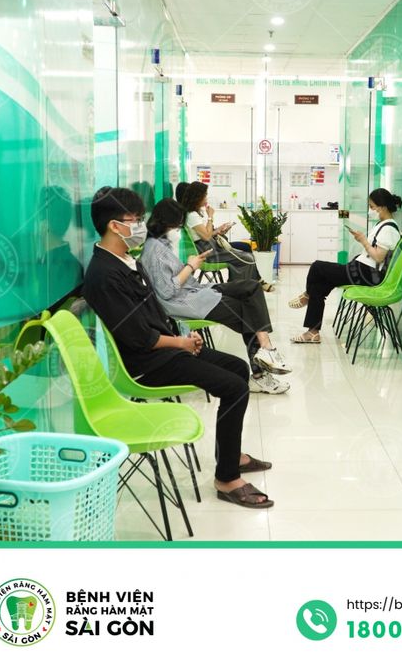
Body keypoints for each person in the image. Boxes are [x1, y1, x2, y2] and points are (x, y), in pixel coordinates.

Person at [82, 186, 274, 509]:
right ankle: (227, 479)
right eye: (135, 220)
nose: (141, 225)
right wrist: (181, 342)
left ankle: (229, 455)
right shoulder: (104, 275)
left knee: (238, 368)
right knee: (235, 387)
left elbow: (155, 312)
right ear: (115, 225)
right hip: (148, 362)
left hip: (167, 347)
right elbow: (140, 337)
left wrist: (184, 336)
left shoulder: (126, 261)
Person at [140, 197, 291, 395]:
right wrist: (191, 266)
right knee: (248, 311)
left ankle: (266, 348)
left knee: (252, 287)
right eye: (177, 226)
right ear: (165, 223)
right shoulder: (155, 251)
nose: (179, 231)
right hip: (185, 302)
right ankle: (260, 372)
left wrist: (191, 265)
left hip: (195, 291)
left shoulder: (161, 244)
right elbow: (167, 292)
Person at [289, 187, 402, 343]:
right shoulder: (383, 225)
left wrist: (363, 241)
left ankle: (307, 296)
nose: (370, 210)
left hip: (367, 274)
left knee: (317, 266)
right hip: (363, 269)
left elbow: (378, 257)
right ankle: (313, 332)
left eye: (372, 207)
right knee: (319, 286)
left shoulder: (388, 229)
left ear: (382, 207)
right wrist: (363, 241)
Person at [182, 180, 273, 289]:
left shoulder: (194, 214)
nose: (206, 198)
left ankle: (252, 285)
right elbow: (206, 236)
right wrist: (210, 216)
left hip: (210, 246)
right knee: (248, 258)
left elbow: (206, 234)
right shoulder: (192, 215)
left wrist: (218, 230)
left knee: (248, 256)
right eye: (205, 195)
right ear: (197, 197)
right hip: (208, 252)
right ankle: (245, 287)